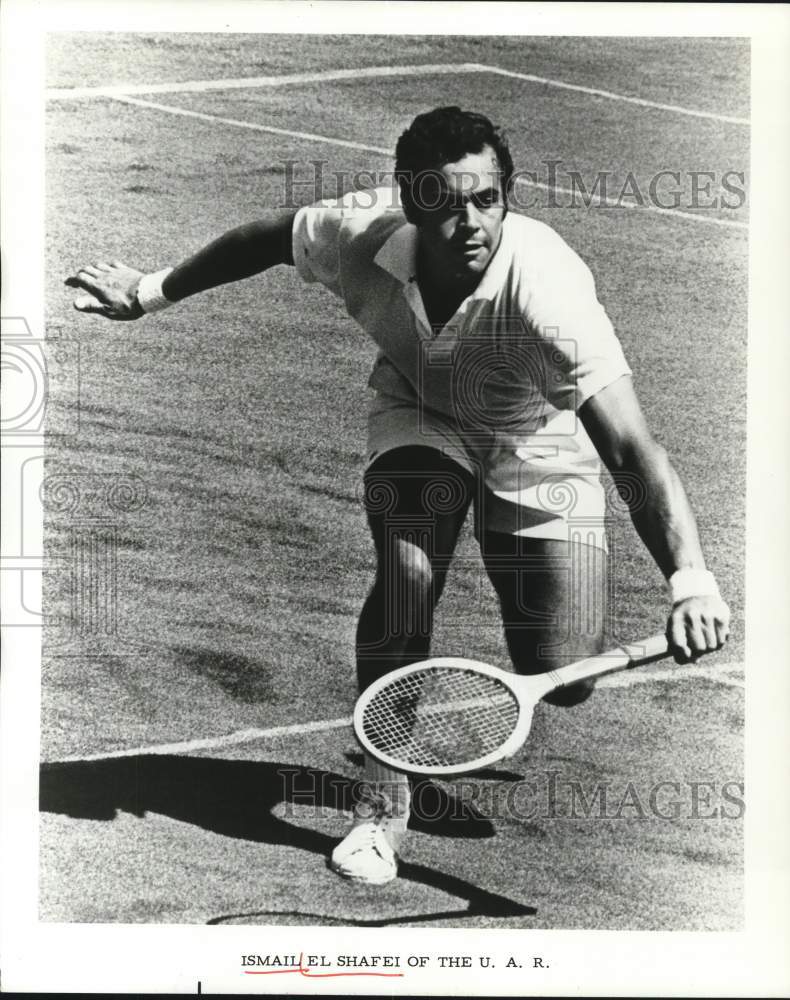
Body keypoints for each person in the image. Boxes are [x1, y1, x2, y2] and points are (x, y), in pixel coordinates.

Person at [66, 106, 730, 886]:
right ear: (410, 202)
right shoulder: (359, 232)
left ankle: (533, 636)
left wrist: (691, 579)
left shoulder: (551, 292)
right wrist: (149, 291)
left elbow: (631, 448)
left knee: (568, 675)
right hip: (421, 411)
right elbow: (266, 239)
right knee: (409, 574)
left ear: (508, 199)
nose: (470, 223)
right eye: (446, 206)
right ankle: (380, 806)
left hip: (537, 442)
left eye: (487, 201)